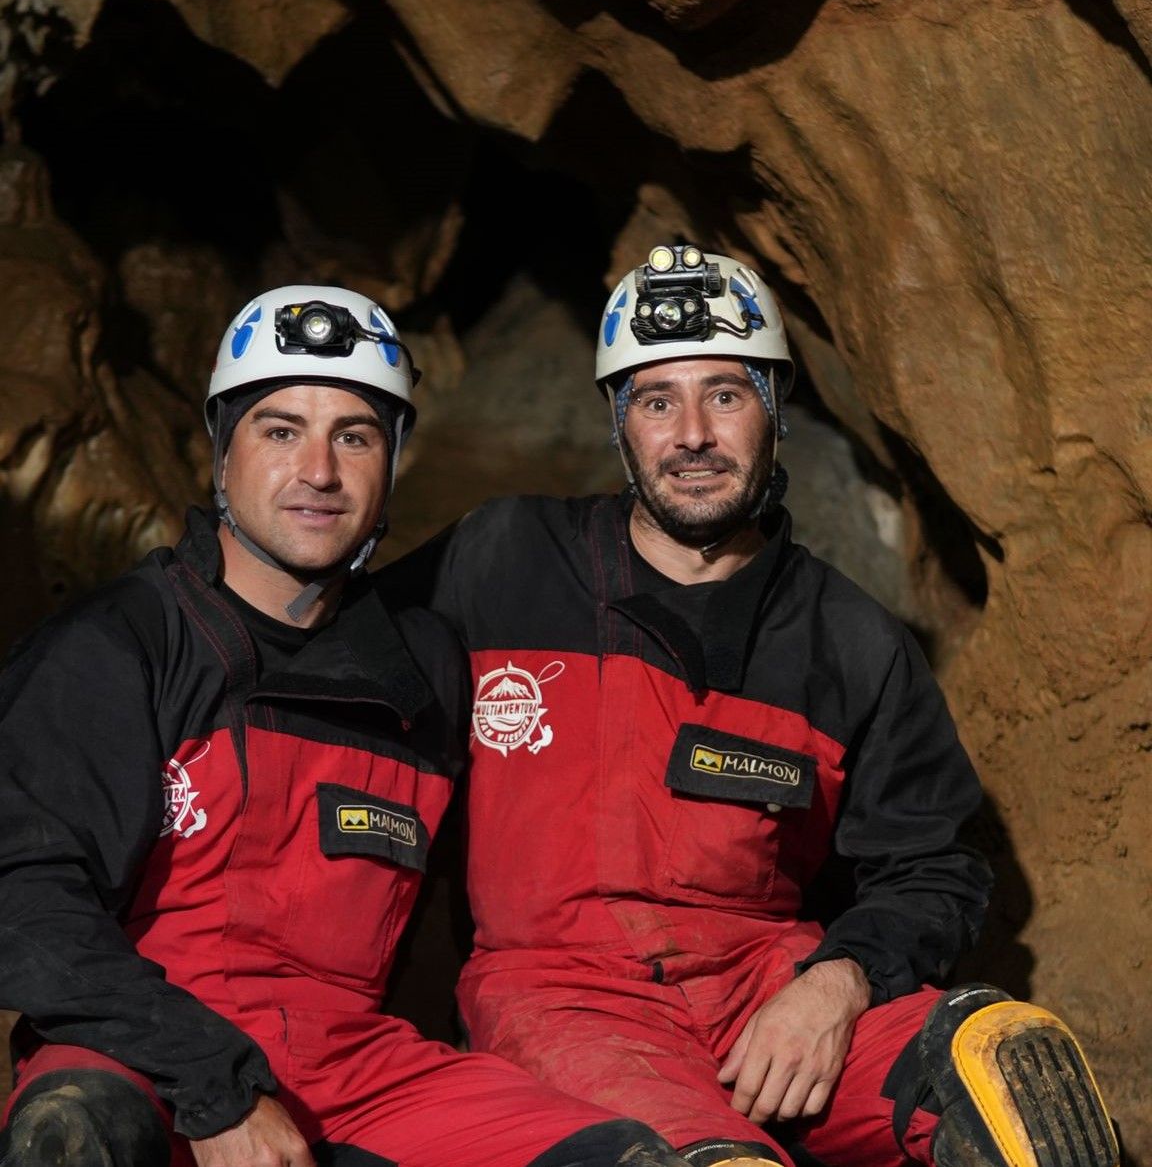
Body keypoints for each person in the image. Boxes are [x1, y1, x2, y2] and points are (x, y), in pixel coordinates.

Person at [381, 247, 1118, 1167]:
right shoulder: (503, 560)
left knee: (1007, 1073)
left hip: (772, 992)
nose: (692, 433)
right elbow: (332, 668)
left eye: (726, 395)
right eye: (657, 401)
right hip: (562, 998)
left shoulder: (849, 640)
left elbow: (932, 867)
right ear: (621, 422)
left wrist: (841, 982)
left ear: (773, 407)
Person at [0, 284, 697, 1167]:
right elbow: (22, 900)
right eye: (281, 430)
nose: (320, 473)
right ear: (223, 452)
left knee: (621, 1156)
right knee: (75, 1135)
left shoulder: (427, 669)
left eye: (355, 436)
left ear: (393, 459)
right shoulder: (118, 646)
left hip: (355, 1068)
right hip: (140, 1048)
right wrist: (214, 1087)